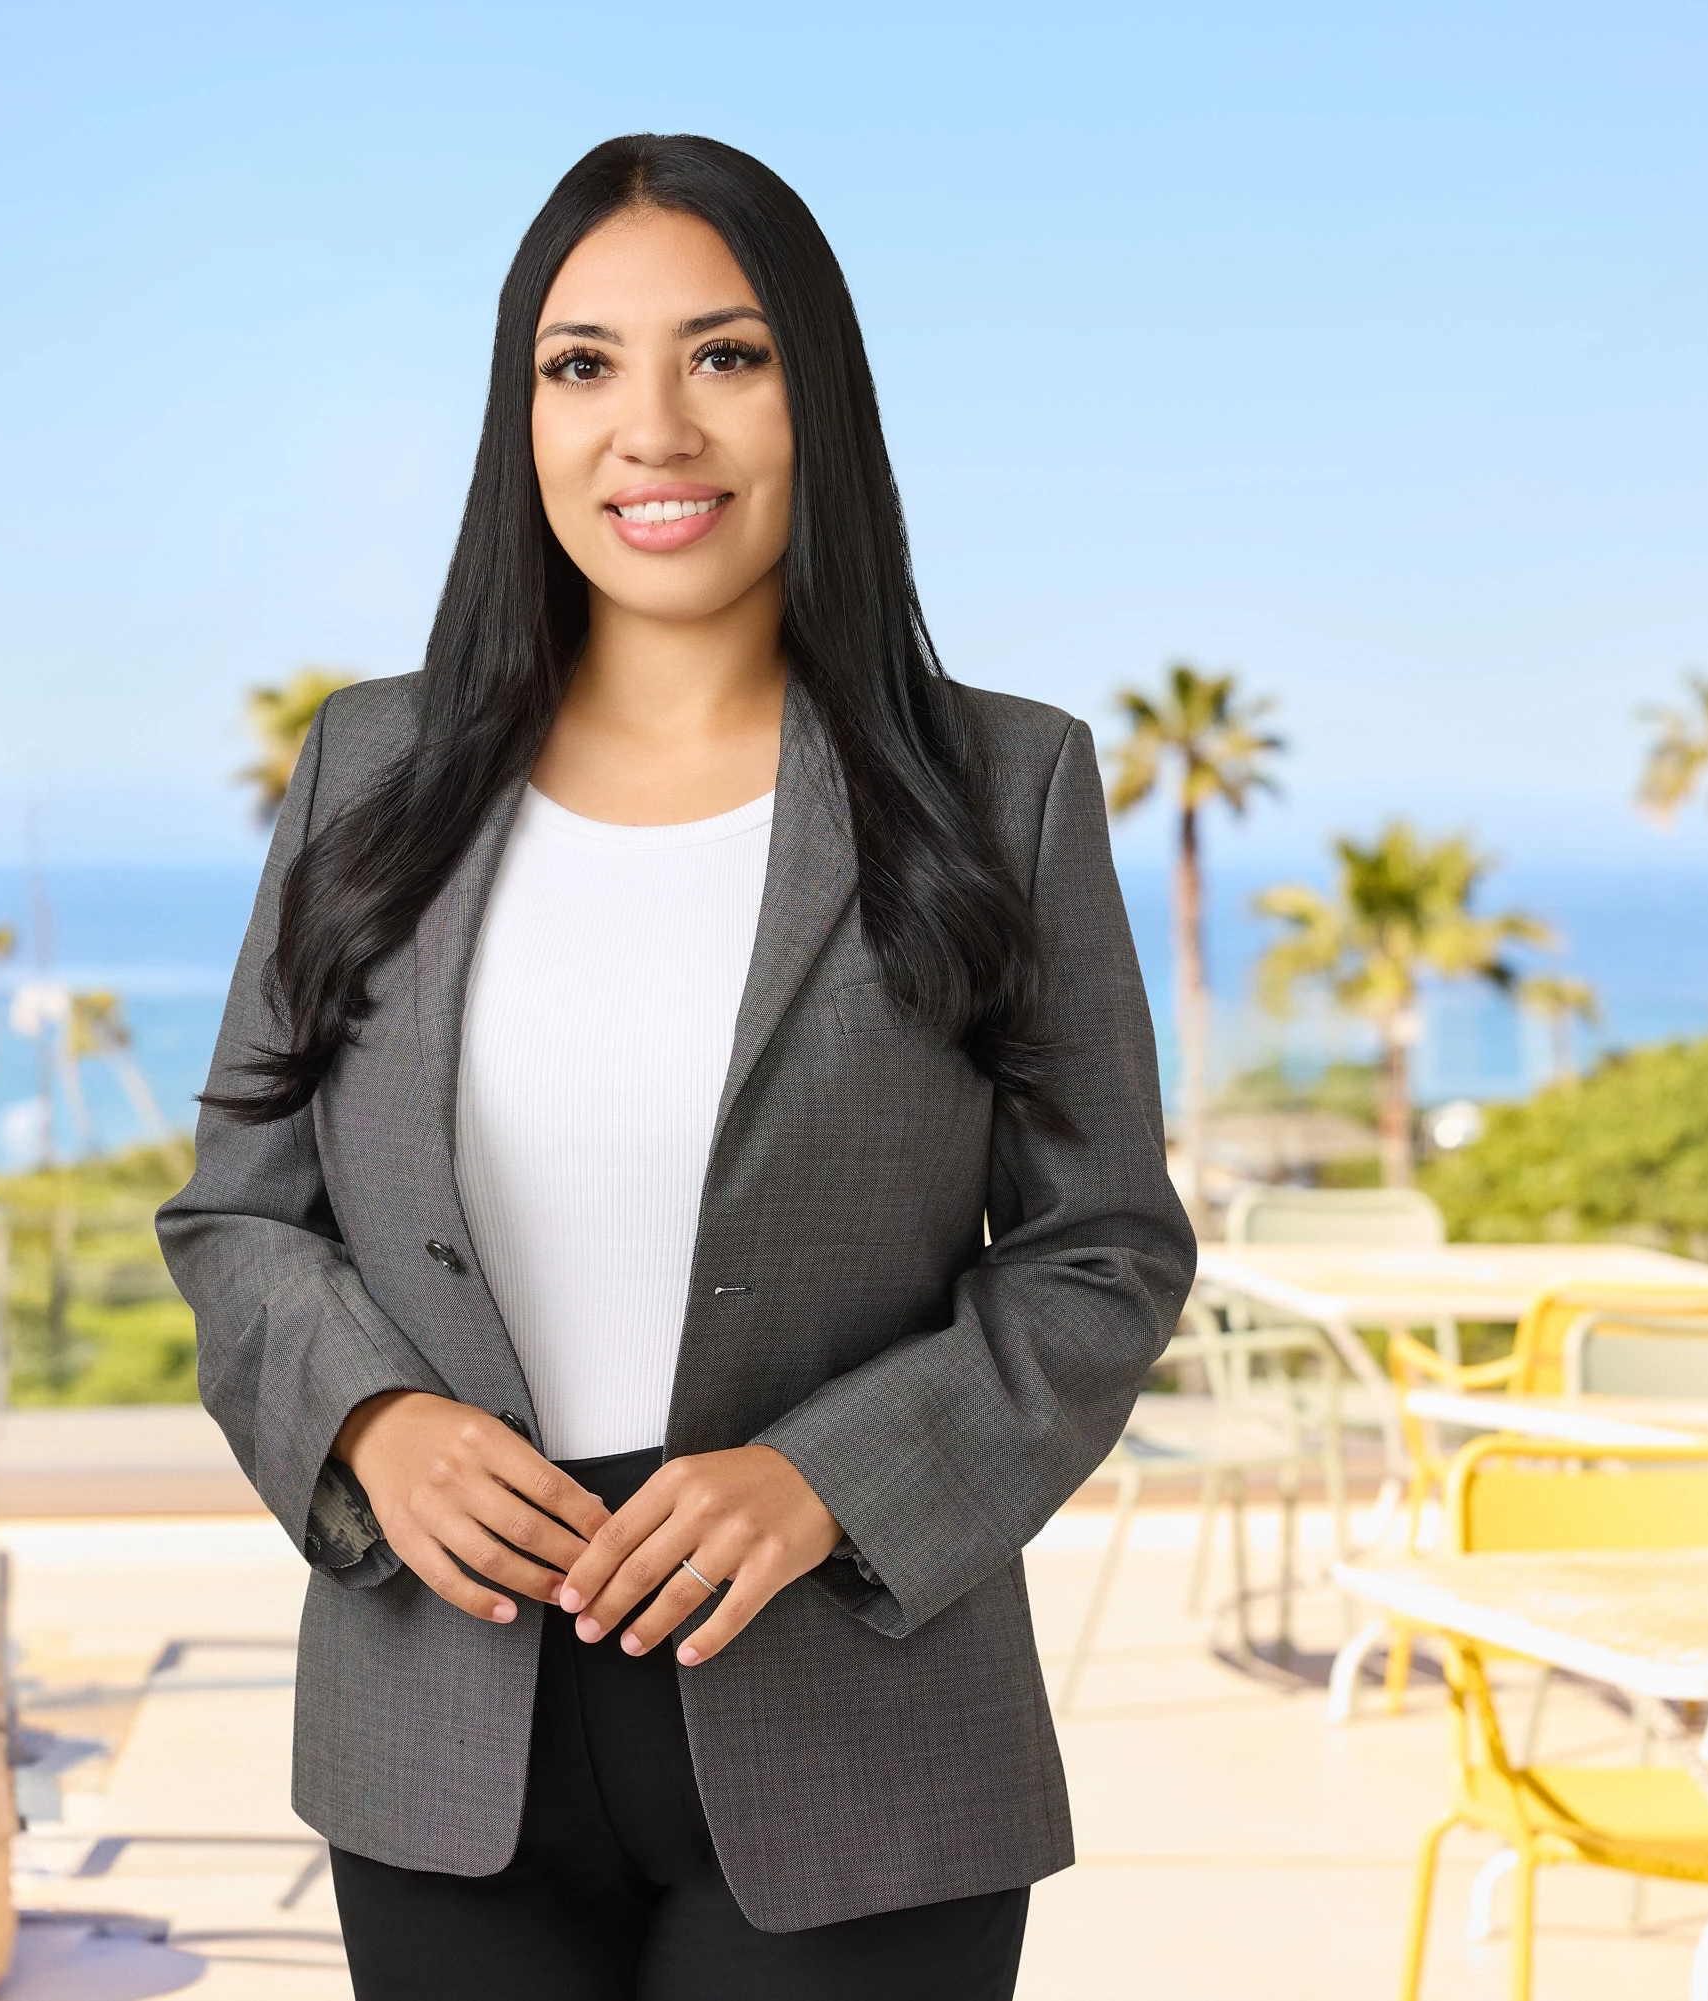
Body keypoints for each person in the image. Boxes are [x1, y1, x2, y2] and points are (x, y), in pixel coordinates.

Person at [158, 131, 1193, 2000]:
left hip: (858, 1722)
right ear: (522, 415)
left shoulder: (1004, 785)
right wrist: (373, 1426)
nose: (653, 427)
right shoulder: (367, 776)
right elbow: (238, 1217)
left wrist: (827, 1481)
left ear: (821, 396)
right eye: (582, 365)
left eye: (726, 355)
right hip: (441, 1718)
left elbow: (1104, 1250)